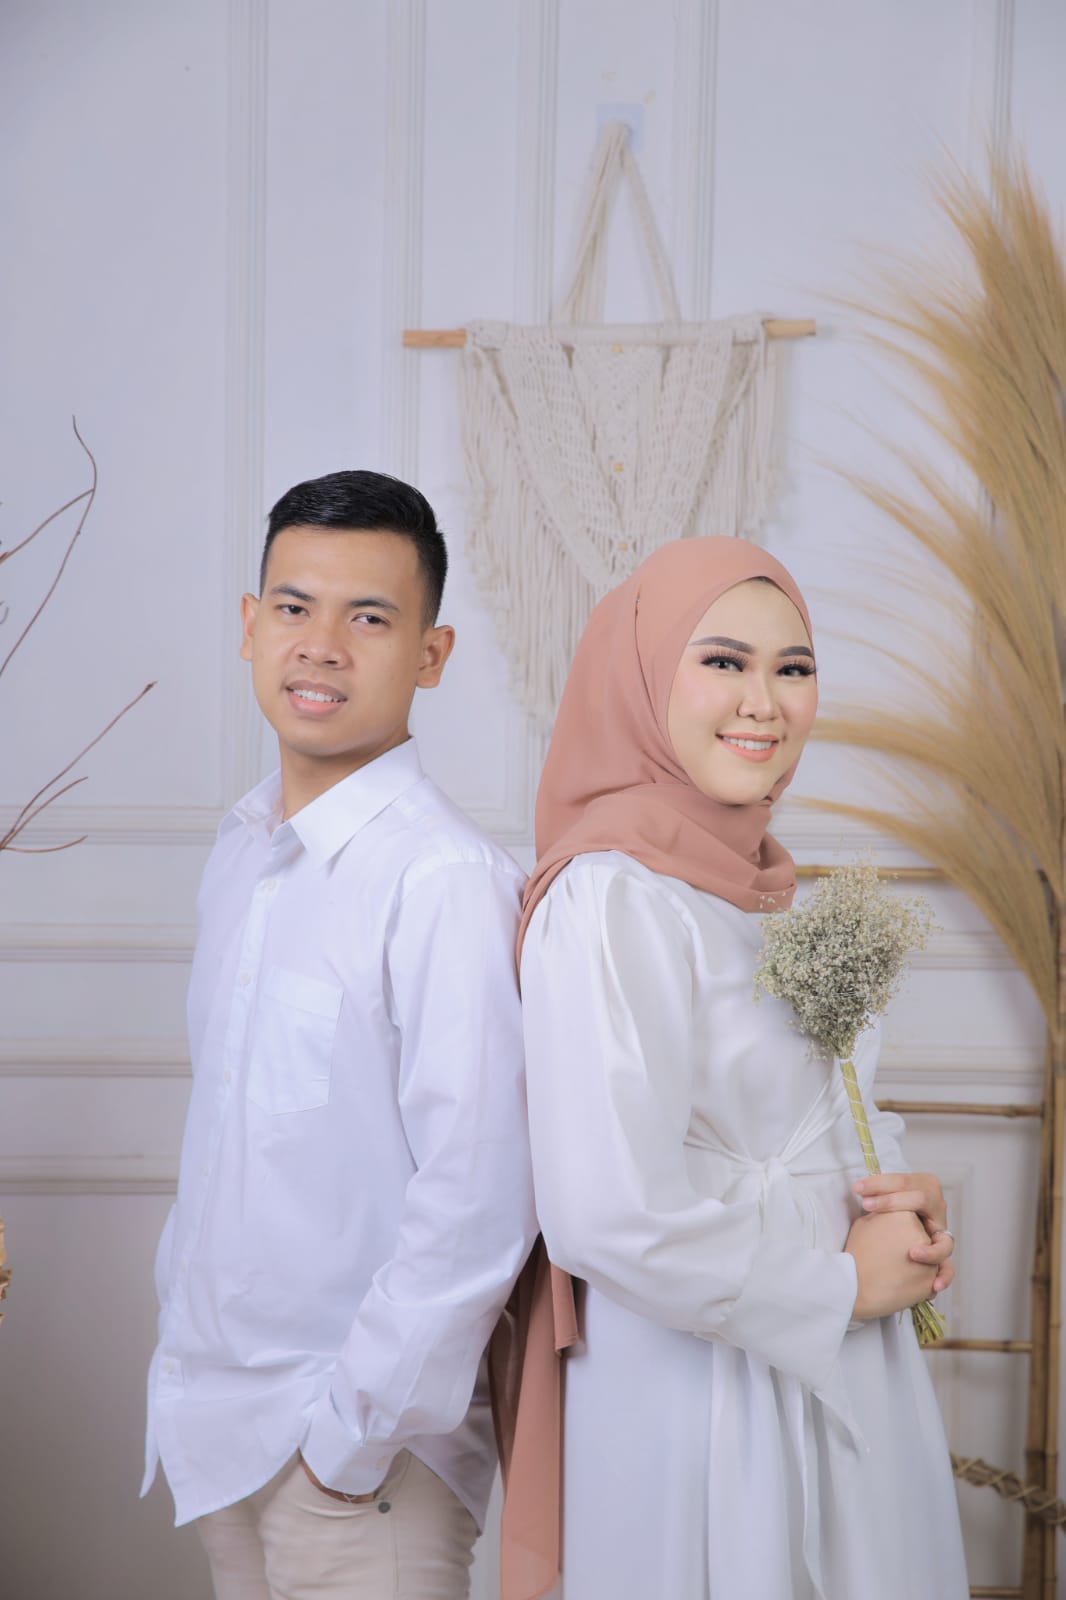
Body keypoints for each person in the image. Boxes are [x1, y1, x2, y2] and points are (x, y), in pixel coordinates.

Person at [504, 537, 967, 1599]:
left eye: (792, 669)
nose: (764, 702)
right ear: (641, 680)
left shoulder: (765, 891)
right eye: (722, 661)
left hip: (842, 1355)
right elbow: (604, 1213)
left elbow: (825, 1116)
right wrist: (842, 1285)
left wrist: (901, 1198)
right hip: (702, 1378)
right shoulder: (611, 895)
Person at [142, 470, 537, 1600]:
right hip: (217, 1431)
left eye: (369, 617)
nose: (320, 645)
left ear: (431, 653)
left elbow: (478, 1199)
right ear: (248, 624)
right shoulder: (241, 850)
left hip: (359, 1463)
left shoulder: (444, 879)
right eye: (293, 606)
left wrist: (347, 1444)